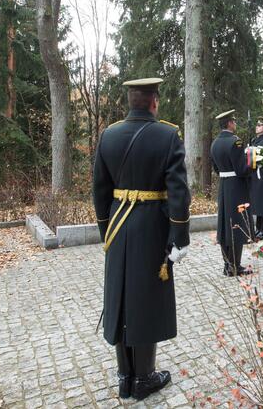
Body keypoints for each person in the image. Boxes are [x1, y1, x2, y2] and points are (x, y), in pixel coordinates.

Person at [92, 77, 191, 400]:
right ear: (154, 101)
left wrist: (106, 231)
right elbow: (178, 191)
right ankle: (143, 379)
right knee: (146, 299)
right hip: (151, 228)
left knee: (120, 296)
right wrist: (180, 235)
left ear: (130, 101)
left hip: (117, 228)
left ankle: (125, 376)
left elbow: (100, 190)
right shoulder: (167, 135)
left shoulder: (109, 135)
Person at [210, 109, 263, 276]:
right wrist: (254, 162)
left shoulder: (215, 143)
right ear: (230, 123)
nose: (235, 124)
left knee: (225, 226)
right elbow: (241, 169)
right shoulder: (236, 142)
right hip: (236, 187)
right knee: (237, 225)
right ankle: (235, 266)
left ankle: (228, 264)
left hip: (224, 186)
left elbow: (217, 169)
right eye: (233, 121)